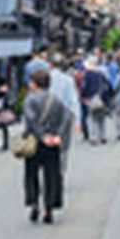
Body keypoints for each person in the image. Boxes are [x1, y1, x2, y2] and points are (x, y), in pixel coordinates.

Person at [22, 68, 71, 224]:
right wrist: (57, 136)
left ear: (35, 84)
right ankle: (49, 209)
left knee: (32, 174)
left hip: (35, 141)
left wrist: (41, 135)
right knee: (51, 175)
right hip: (52, 142)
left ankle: (34, 203)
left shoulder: (30, 100)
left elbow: (30, 120)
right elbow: (66, 118)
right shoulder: (55, 100)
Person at [79, 55, 111, 144]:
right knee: (102, 118)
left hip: (91, 99)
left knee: (93, 119)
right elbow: (108, 85)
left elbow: (84, 88)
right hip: (102, 99)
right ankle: (103, 136)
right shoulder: (101, 74)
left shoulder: (87, 75)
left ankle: (93, 137)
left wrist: (82, 97)